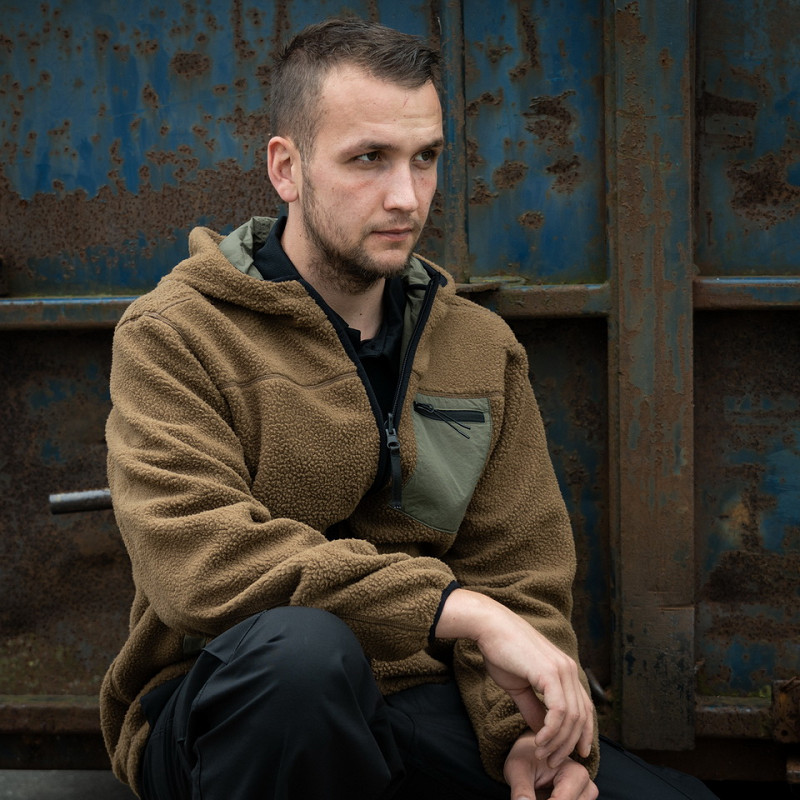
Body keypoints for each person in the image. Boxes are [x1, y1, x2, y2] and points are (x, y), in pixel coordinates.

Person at [101, 17, 718, 800]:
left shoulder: (478, 348)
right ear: (286, 168)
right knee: (304, 657)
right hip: (226, 706)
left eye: (425, 158)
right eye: (369, 159)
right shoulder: (177, 334)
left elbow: (518, 573)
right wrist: (457, 611)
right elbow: (200, 564)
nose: (406, 197)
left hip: (416, 698)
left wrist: (526, 739)